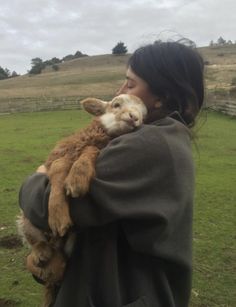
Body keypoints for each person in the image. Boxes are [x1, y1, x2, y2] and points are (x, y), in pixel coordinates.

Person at [19, 40, 204, 307]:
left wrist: (35, 179)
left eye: (130, 84)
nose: (120, 90)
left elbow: (52, 206)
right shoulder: (162, 138)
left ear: (161, 95)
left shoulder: (152, 144)